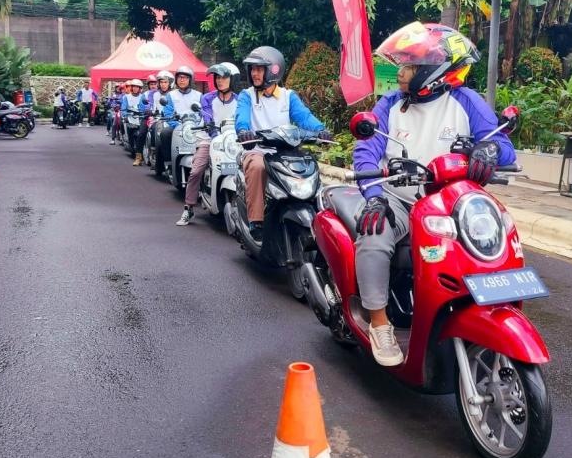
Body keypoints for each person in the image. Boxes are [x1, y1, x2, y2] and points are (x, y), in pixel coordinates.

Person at [351, 21, 516, 366]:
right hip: (400, 197)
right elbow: (366, 151)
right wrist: (375, 195)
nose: (400, 72)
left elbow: (501, 143)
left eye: (408, 65)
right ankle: (380, 322)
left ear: (432, 69)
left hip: (449, 203)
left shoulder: (466, 101)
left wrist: (488, 152)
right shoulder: (390, 105)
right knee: (374, 234)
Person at [235, 46, 331, 241]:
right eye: (252, 69)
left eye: (259, 69)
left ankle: (316, 212)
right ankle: (256, 221)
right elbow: (241, 118)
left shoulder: (288, 96)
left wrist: (321, 130)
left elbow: (304, 117)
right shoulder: (247, 96)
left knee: (309, 166)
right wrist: (244, 131)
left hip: (285, 152)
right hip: (257, 150)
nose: (254, 73)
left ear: (273, 70)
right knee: (257, 166)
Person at [176, 62, 240, 226]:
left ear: (233, 79)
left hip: (233, 142)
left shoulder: (240, 100)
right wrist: (215, 134)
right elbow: (208, 118)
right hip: (210, 139)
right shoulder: (207, 98)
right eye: (217, 77)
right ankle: (188, 207)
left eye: (224, 77)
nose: (219, 81)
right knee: (196, 171)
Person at [158, 65, 203, 172]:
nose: (182, 80)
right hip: (177, 126)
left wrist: (198, 126)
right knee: (165, 134)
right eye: (180, 77)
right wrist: (178, 126)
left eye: (185, 77)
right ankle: (169, 163)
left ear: (191, 80)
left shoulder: (199, 95)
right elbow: (168, 113)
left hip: (195, 127)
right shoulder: (171, 95)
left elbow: (203, 113)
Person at [138, 70, 173, 164]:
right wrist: (148, 110)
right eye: (161, 82)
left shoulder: (173, 94)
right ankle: (149, 151)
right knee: (145, 132)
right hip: (155, 119)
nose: (163, 84)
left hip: (171, 120)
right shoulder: (152, 94)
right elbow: (149, 104)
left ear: (170, 83)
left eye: (165, 82)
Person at [118, 79, 146, 164]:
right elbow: (123, 108)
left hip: (140, 119)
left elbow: (143, 107)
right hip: (130, 119)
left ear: (140, 88)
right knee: (130, 137)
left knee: (140, 136)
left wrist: (143, 112)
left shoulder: (142, 97)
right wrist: (125, 116)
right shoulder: (126, 97)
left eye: (137, 87)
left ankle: (140, 154)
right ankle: (132, 148)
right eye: (134, 87)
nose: (135, 89)